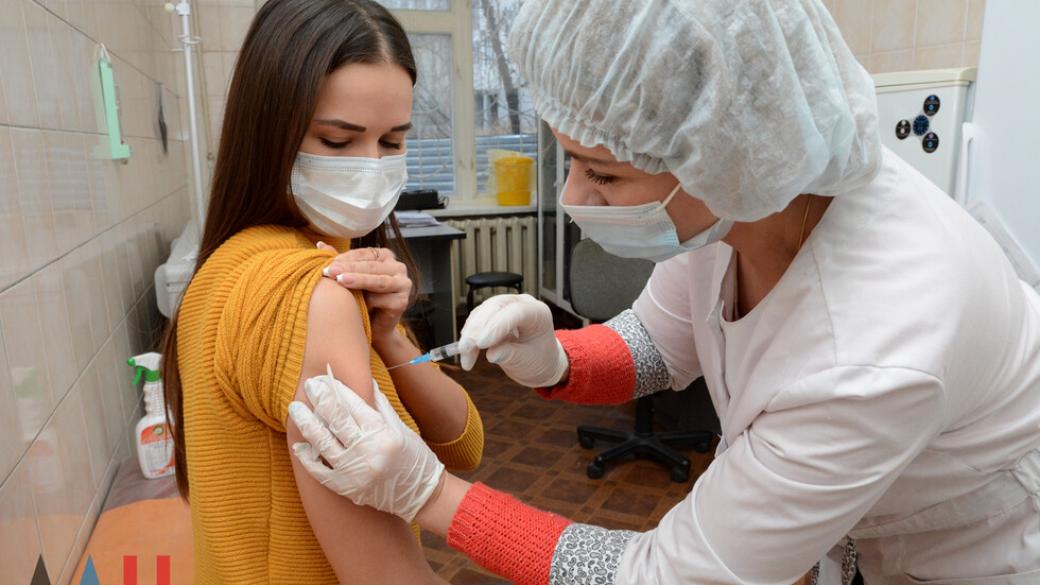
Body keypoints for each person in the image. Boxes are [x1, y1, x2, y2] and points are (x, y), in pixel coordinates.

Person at [287, 1, 1040, 584]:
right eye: (569, 159)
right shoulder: (741, 202)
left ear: (721, 161)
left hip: (976, 553)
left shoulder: (875, 345)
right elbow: (655, 343)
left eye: (603, 174)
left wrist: (428, 494)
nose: (571, 196)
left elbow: (661, 576)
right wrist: (556, 358)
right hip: (859, 528)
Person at [160, 1, 483, 583]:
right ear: (269, 132)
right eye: (337, 141)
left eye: (392, 142)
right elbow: (387, 578)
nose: (370, 167)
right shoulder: (311, 294)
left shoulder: (248, 262)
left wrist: (388, 337)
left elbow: (465, 445)